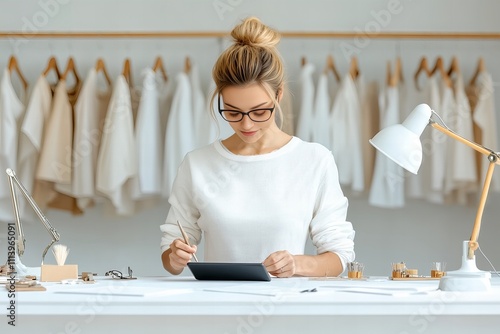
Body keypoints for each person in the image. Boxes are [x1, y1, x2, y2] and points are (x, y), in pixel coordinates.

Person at [160, 17, 355, 278]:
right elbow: (170, 257)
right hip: (215, 306)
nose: (246, 123)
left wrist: (297, 264)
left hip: (285, 308)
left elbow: (339, 256)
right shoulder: (197, 164)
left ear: (279, 95)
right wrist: (175, 256)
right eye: (233, 112)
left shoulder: (314, 160)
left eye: (259, 111)